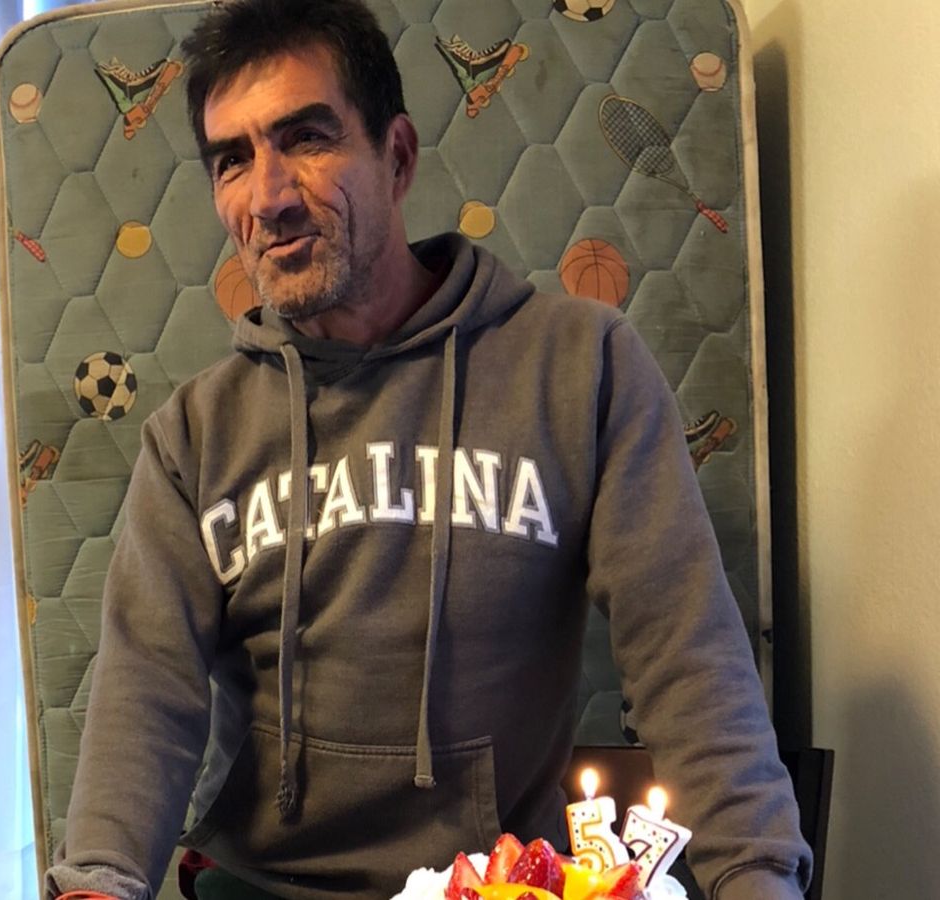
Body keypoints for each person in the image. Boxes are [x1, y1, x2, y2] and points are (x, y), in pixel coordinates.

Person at [47, 1, 812, 898]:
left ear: (398, 155)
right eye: (232, 161)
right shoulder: (193, 437)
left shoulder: (582, 368)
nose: (269, 197)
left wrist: (756, 873)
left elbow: (689, 663)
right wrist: (95, 881)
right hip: (257, 888)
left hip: (498, 883)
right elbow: (143, 700)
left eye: (306, 138)